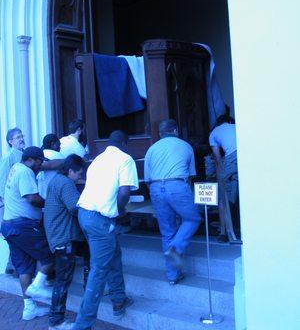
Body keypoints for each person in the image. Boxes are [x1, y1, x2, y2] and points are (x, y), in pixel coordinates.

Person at [73, 130, 138, 330]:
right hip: (100, 219)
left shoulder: (97, 160)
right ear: (124, 143)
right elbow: (125, 191)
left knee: (114, 254)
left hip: (84, 215)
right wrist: (119, 211)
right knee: (99, 270)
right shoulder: (125, 159)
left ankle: (119, 299)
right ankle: (82, 325)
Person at [144, 119, 202, 285]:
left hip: (155, 187)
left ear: (161, 134)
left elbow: (147, 179)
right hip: (177, 185)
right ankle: (176, 247)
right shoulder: (185, 146)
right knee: (192, 219)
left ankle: (172, 275)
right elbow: (190, 175)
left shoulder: (151, 149)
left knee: (167, 231)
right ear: (175, 130)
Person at [1, 147, 54, 320]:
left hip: (10, 225)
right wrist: (50, 204)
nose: (41, 165)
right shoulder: (25, 172)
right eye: (40, 161)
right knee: (50, 256)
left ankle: (29, 308)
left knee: (24, 268)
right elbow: (32, 198)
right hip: (23, 226)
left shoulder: (16, 167)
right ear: (31, 159)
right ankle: (38, 286)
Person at [44, 154, 85, 330]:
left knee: (62, 278)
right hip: (64, 238)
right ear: (70, 171)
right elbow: (75, 208)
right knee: (63, 280)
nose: (80, 177)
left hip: (58, 235)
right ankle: (56, 321)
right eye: (79, 174)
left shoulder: (56, 180)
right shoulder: (66, 183)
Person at [209, 114, 239, 242]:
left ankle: (223, 233)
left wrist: (221, 177)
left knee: (223, 198)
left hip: (231, 157)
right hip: (246, 154)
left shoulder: (213, 133)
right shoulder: (237, 126)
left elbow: (218, 159)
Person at [0, 127, 25, 275]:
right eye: (17, 137)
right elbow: (3, 179)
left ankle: (13, 265)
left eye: (21, 136)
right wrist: (4, 200)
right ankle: (15, 266)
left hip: (22, 199)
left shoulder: (24, 154)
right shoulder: (9, 157)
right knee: (16, 232)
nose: (21, 139)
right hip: (12, 202)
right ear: (10, 141)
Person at [38, 134, 64, 200]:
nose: (60, 147)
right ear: (53, 144)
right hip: (54, 198)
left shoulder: (38, 156)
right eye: (59, 145)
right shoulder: (57, 155)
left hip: (40, 197)